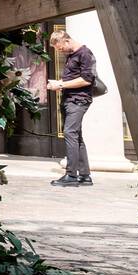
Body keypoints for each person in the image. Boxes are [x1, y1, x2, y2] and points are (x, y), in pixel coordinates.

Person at [46, 29, 96, 187]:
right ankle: (85, 176)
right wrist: (59, 84)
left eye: (60, 48)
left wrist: (60, 84)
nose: (60, 51)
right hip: (70, 99)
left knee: (70, 133)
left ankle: (71, 176)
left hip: (78, 101)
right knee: (77, 136)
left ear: (66, 41)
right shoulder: (72, 55)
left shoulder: (85, 54)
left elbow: (87, 80)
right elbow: (74, 78)